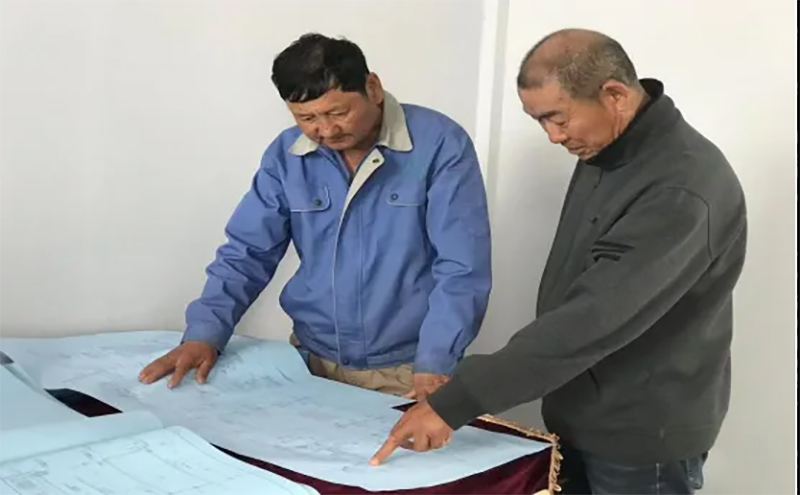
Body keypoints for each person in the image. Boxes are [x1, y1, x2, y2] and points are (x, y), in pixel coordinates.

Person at [370, 28, 747, 495]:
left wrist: (458, 401)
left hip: (641, 437)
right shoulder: (607, 149)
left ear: (614, 95)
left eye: (558, 118)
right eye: (540, 121)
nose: (553, 137)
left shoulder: (680, 186)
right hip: (582, 413)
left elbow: (591, 317)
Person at [138, 33, 492, 400]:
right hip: (309, 362)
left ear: (372, 87)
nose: (326, 130)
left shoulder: (439, 144)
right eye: (306, 118)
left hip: (410, 369)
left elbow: (462, 267)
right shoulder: (286, 156)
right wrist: (204, 334)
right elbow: (247, 252)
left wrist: (436, 361)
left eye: (338, 113)